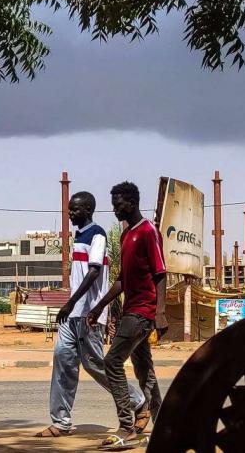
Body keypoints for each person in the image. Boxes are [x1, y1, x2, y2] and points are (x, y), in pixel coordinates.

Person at [36, 191, 145, 438]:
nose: (70, 214)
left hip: (89, 314)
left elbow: (94, 272)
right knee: (63, 362)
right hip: (72, 314)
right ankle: (61, 421)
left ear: (87, 209)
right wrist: (70, 305)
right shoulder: (78, 236)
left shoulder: (97, 234)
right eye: (69, 210)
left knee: (95, 365)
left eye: (74, 210)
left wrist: (71, 303)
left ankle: (137, 401)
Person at [87, 181, 168, 447]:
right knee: (144, 371)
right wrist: (100, 306)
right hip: (131, 310)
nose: (114, 210)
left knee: (111, 362)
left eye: (118, 204)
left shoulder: (148, 231)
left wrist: (161, 312)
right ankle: (164, 427)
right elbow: (122, 280)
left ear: (132, 203)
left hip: (143, 311)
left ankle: (127, 425)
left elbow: (160, 273)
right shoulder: (125, 235)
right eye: (113, 205)